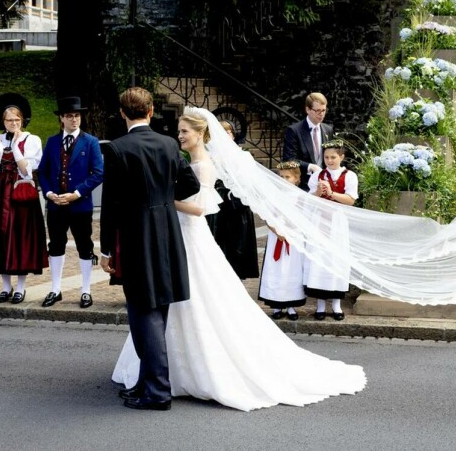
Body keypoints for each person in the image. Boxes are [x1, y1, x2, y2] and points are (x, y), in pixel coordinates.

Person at [112, 108, 366, 411]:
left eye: (184, 131)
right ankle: (160, 374)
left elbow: (203, 207)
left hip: (192, 235)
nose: (179, 136)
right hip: (176, 234)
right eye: (179, 131)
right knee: (169, 305)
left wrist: (167, 202)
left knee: (196, 301)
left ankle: (181, 374)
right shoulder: (181, 159)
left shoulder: (204, 165)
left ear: (201, 134)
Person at [100, 87, 201, 411]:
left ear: (122, 113)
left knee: (144, 314)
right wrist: (161, 195)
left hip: (136, 235)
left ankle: (157, 392)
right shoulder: (169, 144)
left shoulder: (117, 148)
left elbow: (111, 205)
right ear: (152, 110)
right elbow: (191, 185)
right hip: (167, 232)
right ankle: (146, 383)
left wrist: (105, 250)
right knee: (157, 310)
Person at [0, 95, 47, 303]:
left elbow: (28, 171)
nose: (14, 124)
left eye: (17, 120)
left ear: (22, 120)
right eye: (10, 121)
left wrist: (16, 147)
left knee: (20, 237)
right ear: (3, 121)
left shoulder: (32, 139)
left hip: (20, 192)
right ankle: (5, 286)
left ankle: (20, 286)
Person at [39, 96, 105, 308]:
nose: (74, 119)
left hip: (80, 204)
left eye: (77, 115)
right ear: (62, 118)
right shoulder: (52, 142)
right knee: (56, 245)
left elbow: (98, 173)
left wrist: (77, 193)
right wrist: (49, 193)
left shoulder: (91, 141)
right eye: (69, 116)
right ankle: (55, 289)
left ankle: (86, 290)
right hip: (56, 204)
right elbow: (43, 171)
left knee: (84, 245)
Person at [305, 140, 357, 321]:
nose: (329, 160)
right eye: (326, 157)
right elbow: (310, 199)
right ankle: (320, 304)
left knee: (336, 258)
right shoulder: (318, 175)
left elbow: (351, 200)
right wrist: (319, 192)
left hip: (338, 221)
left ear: (341, 157)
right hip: (320, 220)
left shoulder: (349, 176)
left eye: (333, 157)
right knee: (320, 258)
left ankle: (336, 304)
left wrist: (332, 193)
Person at [209, 119, 259, 280]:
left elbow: (250, 180)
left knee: (238, 245)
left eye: (228, 132)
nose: (225, 135)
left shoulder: (243, 155)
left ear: (233, 134)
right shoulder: (210, 156)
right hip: (218, 206)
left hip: (237, 206)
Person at [258, 160, 307, 320]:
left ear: (296, 179)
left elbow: (304, 217)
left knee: (292, 270)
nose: (284, 180)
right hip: (277, 236)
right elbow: (267, 215)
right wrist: (277, 230)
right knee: (276, 268)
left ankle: (291, 305)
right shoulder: (274, 195)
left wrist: (292, 231)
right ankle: (277, 305)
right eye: (282, 177)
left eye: (288, 177)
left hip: (293, 238)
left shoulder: (301, 197)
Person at [282, 92, 333, 190]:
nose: (321, 114)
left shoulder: (328, 130)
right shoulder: (294, 130)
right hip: (303, 186)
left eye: (324, 110)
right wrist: (310, 167)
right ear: (308, 109)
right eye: (317, 110)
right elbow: (289, 159)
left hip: (325, 185)